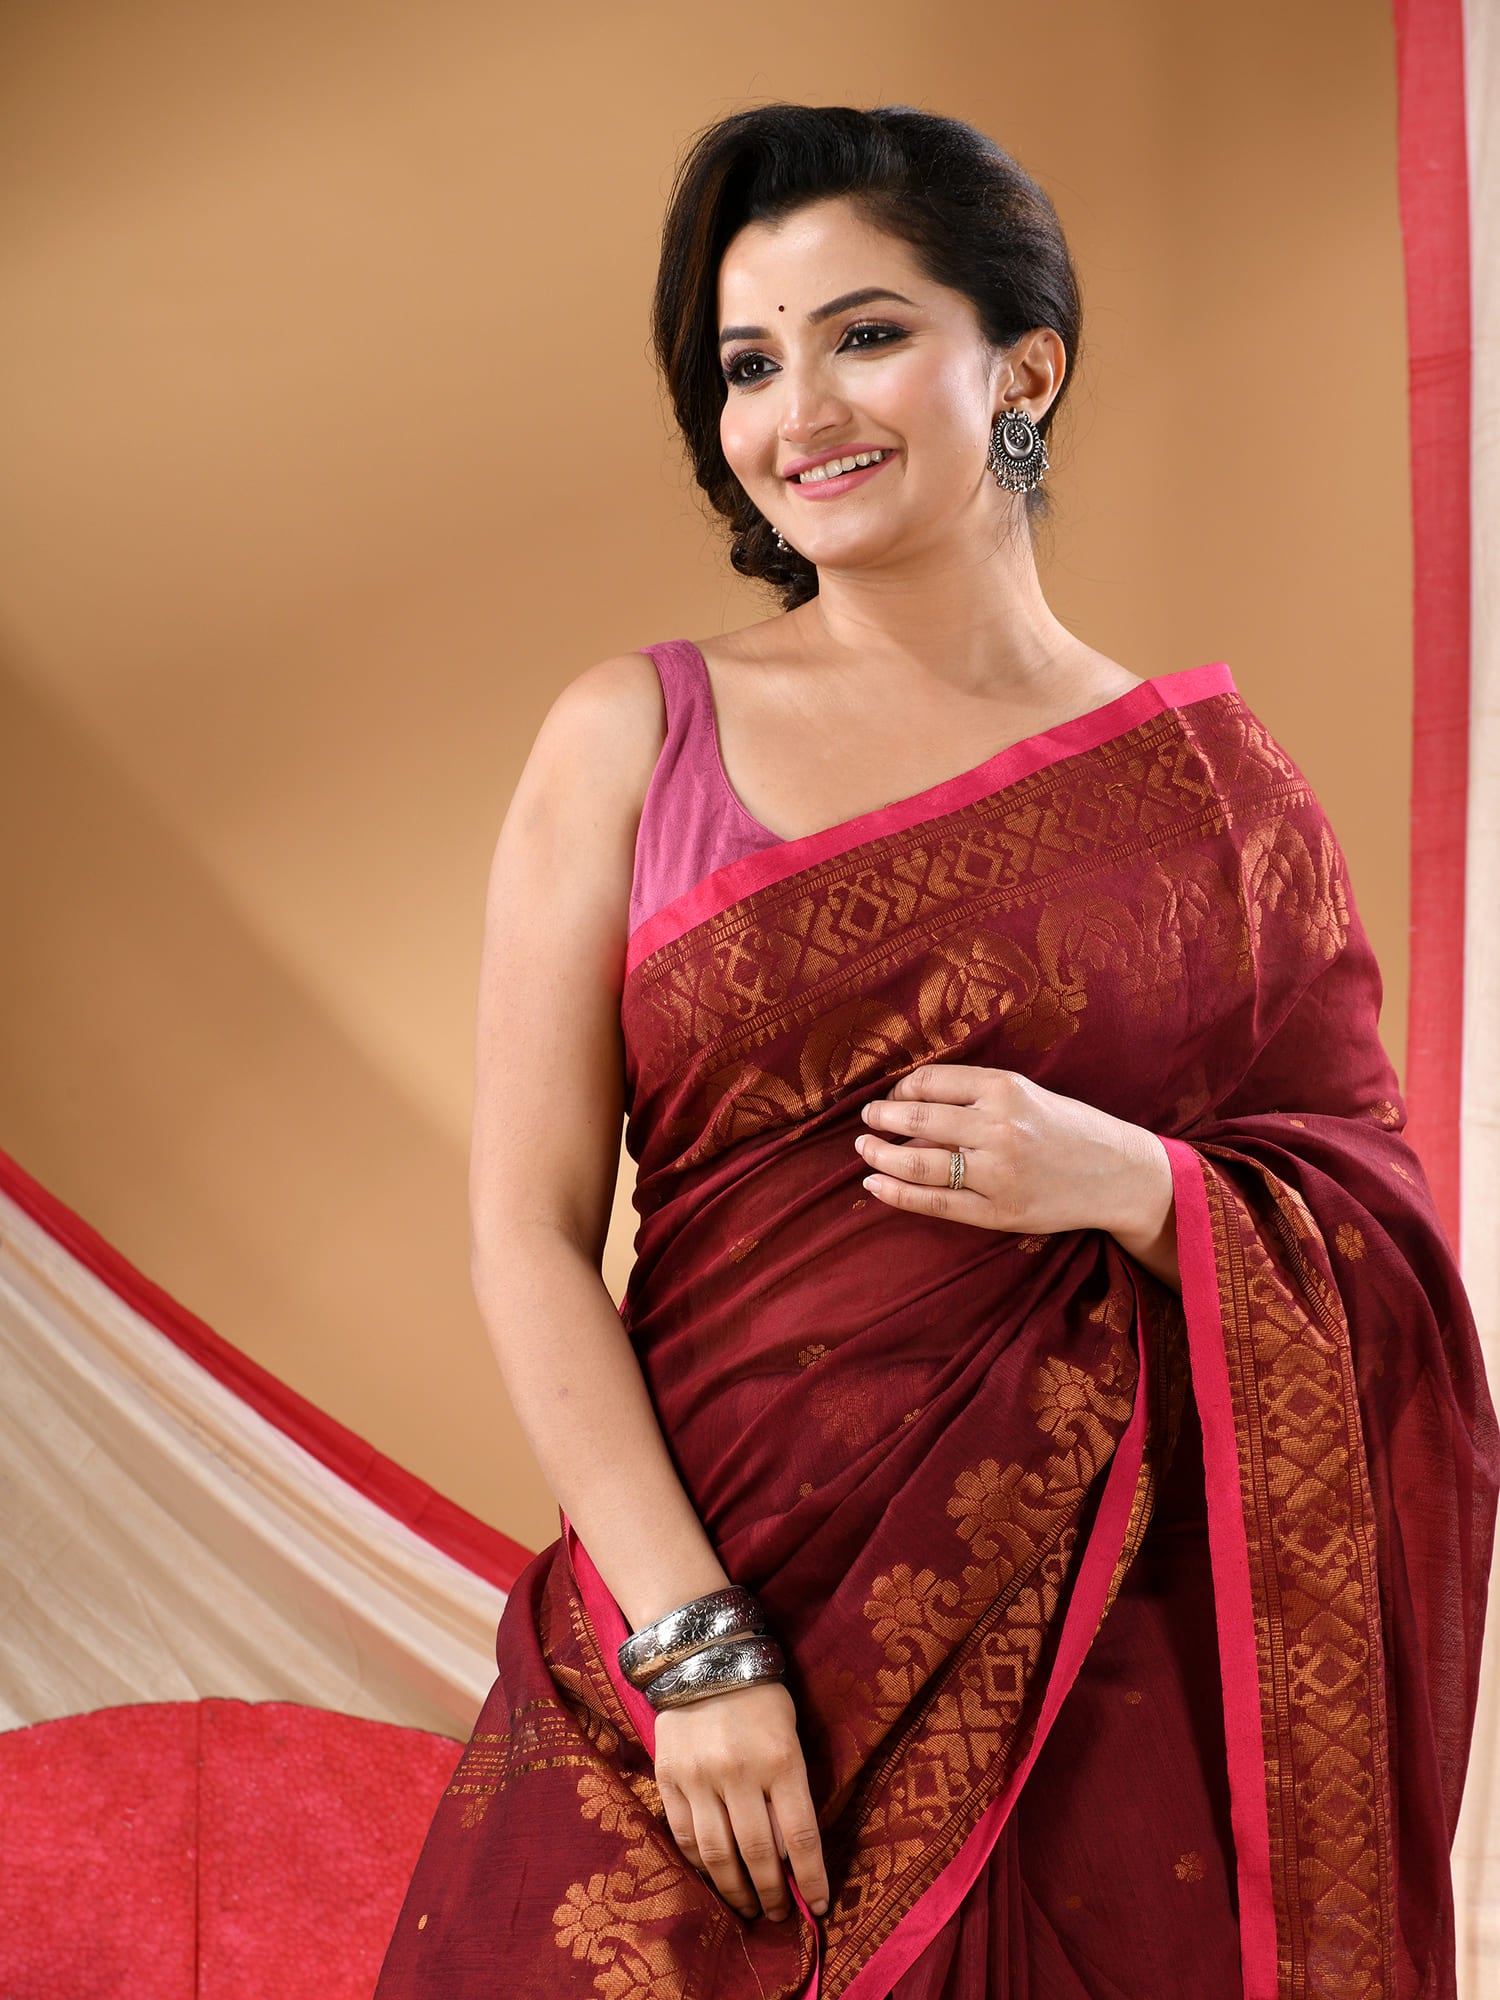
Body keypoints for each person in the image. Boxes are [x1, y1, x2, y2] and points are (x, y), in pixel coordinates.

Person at [374, 103, 1497, 2000]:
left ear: (1024, 366)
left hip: (1091, 1686)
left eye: (867, 333)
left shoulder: (1218, 804)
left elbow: (1380, 1258)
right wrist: (692, 1648)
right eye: (749, 362)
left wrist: (1130, 1185)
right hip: (689, 1640)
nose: (798, 409)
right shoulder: (632, 737)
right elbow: (527, 1234)